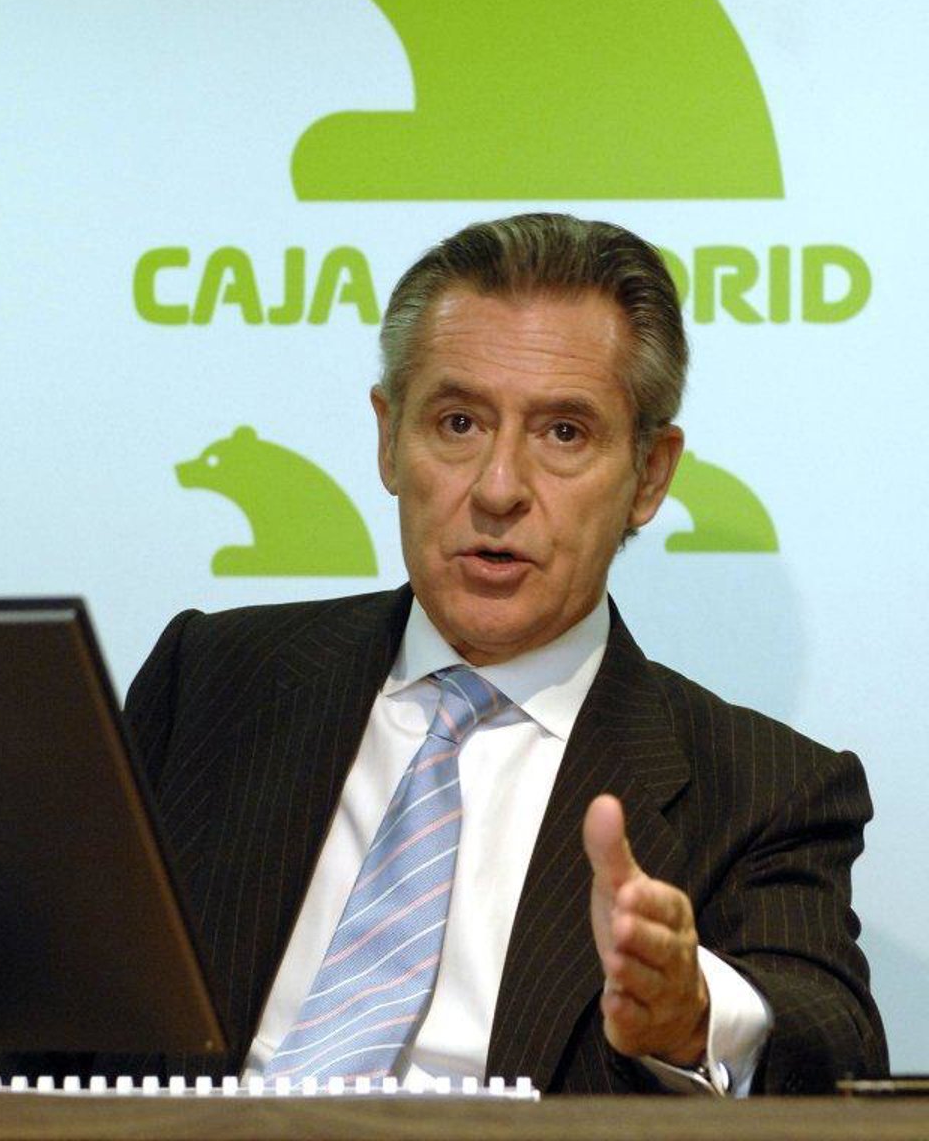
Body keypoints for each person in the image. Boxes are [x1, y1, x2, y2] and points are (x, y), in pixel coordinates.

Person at [125, 213, 887, 1094]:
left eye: (564, 433)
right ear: (388, 438)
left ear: (649, 476)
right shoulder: (213, 678)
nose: (497, 489)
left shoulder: (763, 788)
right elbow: (48, 999)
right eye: (458, 423)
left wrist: (692, 1015)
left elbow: (833, 1034)